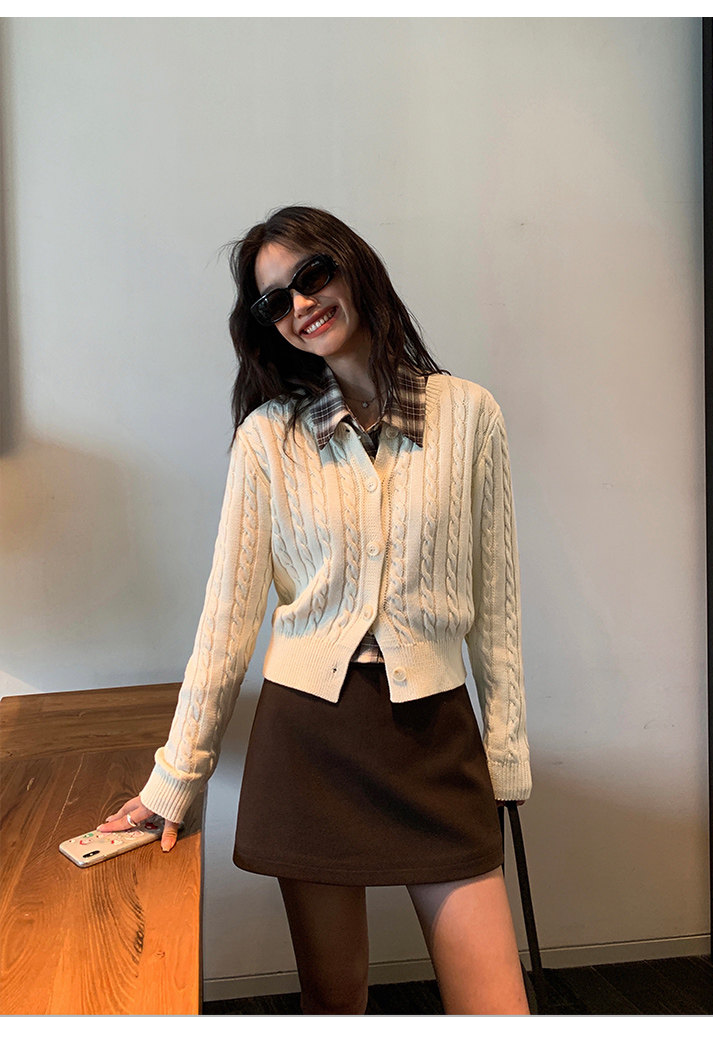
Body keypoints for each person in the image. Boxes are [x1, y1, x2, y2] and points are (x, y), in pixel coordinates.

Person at [98, 205, 532, 1015]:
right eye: (275, 300)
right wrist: (172, 780)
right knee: (335, 1006)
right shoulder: (267, 440)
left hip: (435, 737)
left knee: (498, 1012)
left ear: (352, 266)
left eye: (312, 274)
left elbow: (498, 609)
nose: (301, 303)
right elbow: (225, 623)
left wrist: (505, 758)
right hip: (309, 740)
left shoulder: (471, 415)